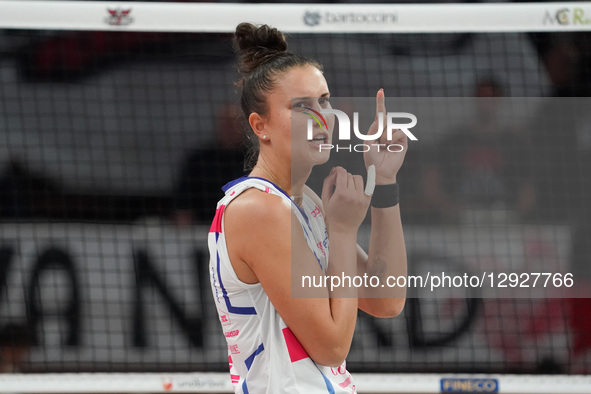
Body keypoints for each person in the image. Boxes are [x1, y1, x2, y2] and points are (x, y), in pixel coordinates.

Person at [208, 23, 408, 393]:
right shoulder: (258, 211)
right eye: (302, 106)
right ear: (260, 126)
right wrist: (344, 232)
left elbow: (387, 298)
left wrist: (384, 183)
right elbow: (331, 346)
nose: (322, 117)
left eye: (325, 100)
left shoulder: (305, 202)